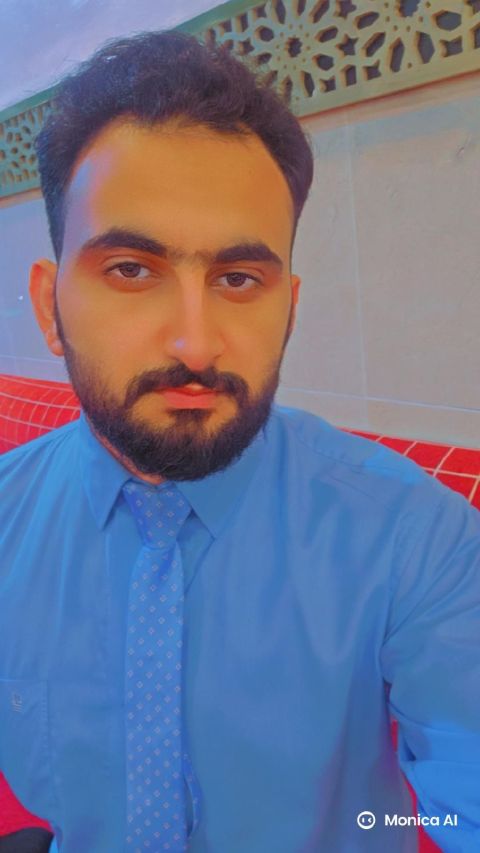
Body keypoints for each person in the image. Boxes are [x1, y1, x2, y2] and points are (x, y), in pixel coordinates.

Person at [0, 30, 478, 853]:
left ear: (288, 307)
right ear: (49, 308)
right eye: (130, 269)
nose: (196, 343)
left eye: (238, 279)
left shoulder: (416, 540)